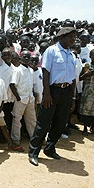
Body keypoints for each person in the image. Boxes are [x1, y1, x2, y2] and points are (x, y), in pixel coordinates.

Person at [28, 27, 78, 166]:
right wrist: (47, 94)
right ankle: (33, 152)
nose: (73, 39)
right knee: (44, 122)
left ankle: (50, 148)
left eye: (74, 37)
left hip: (67, 91)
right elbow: (45, 73)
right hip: (53, 91)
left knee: (60, 122)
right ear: (62, 37)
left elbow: (73, 78)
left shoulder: (71, 54)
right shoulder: (51, 51)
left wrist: (73, 97)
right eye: (71, 36)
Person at [9, 50, 36, 152]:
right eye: (24, 57)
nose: (27, 59)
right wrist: (18, 97)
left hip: (30, 99)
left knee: (32, 120)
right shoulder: (17, 70)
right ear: (20, 58)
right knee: (17, 120)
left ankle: (34, 138)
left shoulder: (31, 70)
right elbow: (12, 84)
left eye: (28, 57)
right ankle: (16, 140)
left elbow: (32, 85)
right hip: (21, 99)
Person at [78, 49, 94, 135]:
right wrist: (86, 75)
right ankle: (84, 127)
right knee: (85, 110)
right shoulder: (86, 66)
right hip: (88, 91)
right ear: (90, 56)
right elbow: (79, 78)